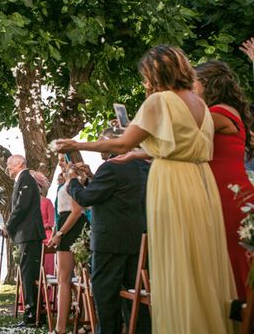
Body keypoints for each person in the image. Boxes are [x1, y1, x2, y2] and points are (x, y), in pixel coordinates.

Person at [56, 45, 236, 333]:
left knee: (176, 264)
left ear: (155, 73)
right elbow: (179, 146)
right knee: (199, 263)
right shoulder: (200, 104)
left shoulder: (160, 101)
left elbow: (120, 143)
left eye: (145, 76)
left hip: (173, 184)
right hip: (201, 184)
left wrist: (77, 144)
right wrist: (140, 154)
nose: (144, 83)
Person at [66, 128, 151, 334]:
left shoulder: (111, 167)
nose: (100, 149)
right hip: (137, 241)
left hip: (110, 242)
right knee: (136, 298)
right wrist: (91, 178)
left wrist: (73, 182)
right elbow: (115, 193)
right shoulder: (143, 165)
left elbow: (86, 199)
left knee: (106, 297)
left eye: (102, 143)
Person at [195, 60, 254, 300]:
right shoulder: (224, 110)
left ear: (206, 84)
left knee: (234, 258)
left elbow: (181, 135)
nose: (190, 90)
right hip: (226, 191)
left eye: (193, 84)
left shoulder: (218, 113)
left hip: (229, 195)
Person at [45, 156, 88, 334]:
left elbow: (77, 211)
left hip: (72, 227)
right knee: (71, 278)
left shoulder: (75, 181)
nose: (61, 163)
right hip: (65, 224)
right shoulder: (67, 181)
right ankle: (82, 322)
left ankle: (60, 328)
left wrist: (60, 233)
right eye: (59, 160)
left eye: (64, 159)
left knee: (65, 279)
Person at [1, 154, 45, 328]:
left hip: (29, 234)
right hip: (27, 235)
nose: (8, 168)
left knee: (28, 276)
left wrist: (8, 226)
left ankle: (32, 317)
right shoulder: (24, 178)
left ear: (19, 163)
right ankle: (34, 315)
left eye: (9, 165)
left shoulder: (25, 178)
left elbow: (21, 206)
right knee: (28, 275)